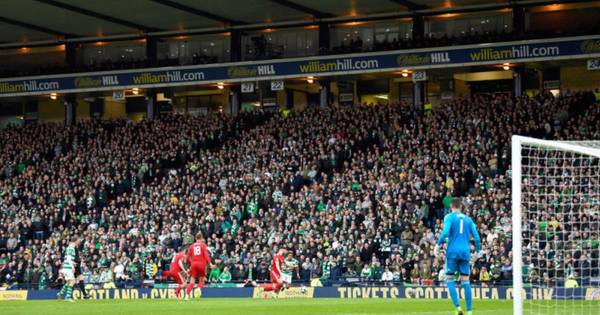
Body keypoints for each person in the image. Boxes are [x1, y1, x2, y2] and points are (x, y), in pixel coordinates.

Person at [434, 198, 481, 315]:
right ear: (461, 206)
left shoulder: (449, 217)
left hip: (452, 252)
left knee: (449, 279)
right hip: (465, 252)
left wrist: (438, 245)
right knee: (466, 281)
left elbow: (445, 232)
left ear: (451, 206)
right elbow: (477, 237)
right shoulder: (469, 220)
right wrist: (477, 251)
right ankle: (469, 311)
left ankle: (458, 308)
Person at [185, 232, 212, 299]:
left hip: (193, 264)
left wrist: (190, 264)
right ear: (201, 238)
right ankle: (198, 289)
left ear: (195, 238)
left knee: (192, 281)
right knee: (202, 280)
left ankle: (186, 296)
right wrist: (210, 263)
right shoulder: (203, 245)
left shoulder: (191, 246)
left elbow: (187, 258)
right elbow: (206, 255)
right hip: (201, 264)